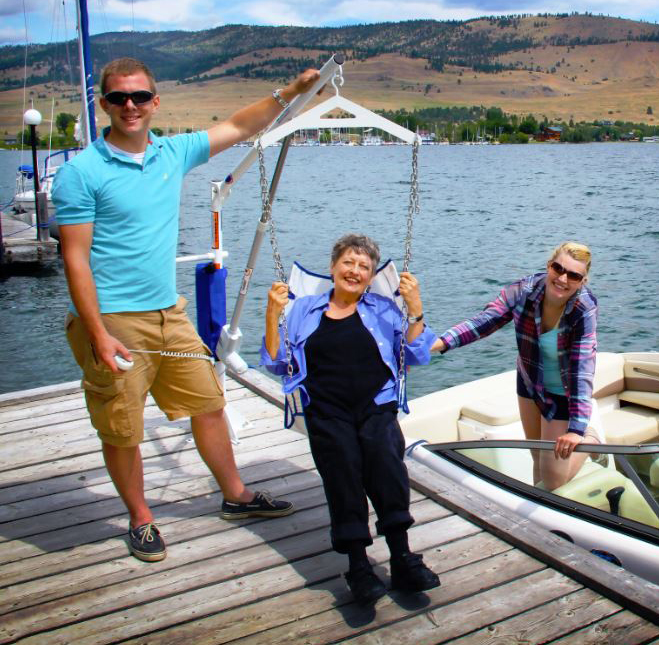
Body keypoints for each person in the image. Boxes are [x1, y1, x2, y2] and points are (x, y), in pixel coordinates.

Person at [52, 57, 321, 562]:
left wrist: (294, 89)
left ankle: (237, 496)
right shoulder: (80, 173)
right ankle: (141, 518)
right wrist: (97, 333)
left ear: (155, 102)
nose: (129, 106)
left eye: (138, 97)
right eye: (117, 98)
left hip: (168, 313)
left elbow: (241, 125)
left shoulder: (171, 153)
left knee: (209, 402)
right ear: (103, 103)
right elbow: (75, 259)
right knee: (123, 427)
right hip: (112, 320)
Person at [262, 234, 440, 605]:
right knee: (342, 480)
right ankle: (359, 568)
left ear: (371, 275)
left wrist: (415, 306)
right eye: (348, 262)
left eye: (364, 267)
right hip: (326, 413)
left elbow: (417, 354)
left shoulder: (383, 309)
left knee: (388, 474)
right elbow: (276, 362)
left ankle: (403, 558)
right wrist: (271, 313)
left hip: (376, 405)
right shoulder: (302, 310)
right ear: (333, 267)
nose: (355, 271)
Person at [432, 241, 599, 489]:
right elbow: (486, 320)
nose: (563, 279)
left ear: (582, 281)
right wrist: (441, 343)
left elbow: (582, 369)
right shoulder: (524, 290)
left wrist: (576, 428)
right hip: (530, 383)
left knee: (554, 480)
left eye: (574, 275)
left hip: (562, 392)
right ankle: (540, 519)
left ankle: (591, 440)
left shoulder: (583, 308)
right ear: (548, 266)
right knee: (537, 457)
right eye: (558, 268)